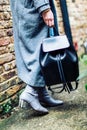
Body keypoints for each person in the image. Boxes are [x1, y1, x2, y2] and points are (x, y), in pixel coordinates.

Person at [10, 0, 63, 114]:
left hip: (23, 8)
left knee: (34, 49)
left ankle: (41, 93)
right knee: (41, 49)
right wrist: (45, 8)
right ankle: (31, 92)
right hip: (33, 9)